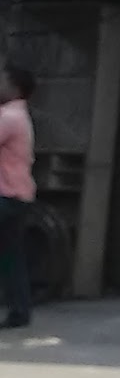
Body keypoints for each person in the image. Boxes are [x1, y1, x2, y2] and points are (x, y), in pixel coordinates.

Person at [0, 63, 36, 330]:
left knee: (12, 256)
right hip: (19, 195)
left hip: (6, 195)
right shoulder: (19, 115)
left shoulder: (9, 117)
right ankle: (19, 311)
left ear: (14, 87)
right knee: (13, 256)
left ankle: (19, 309)